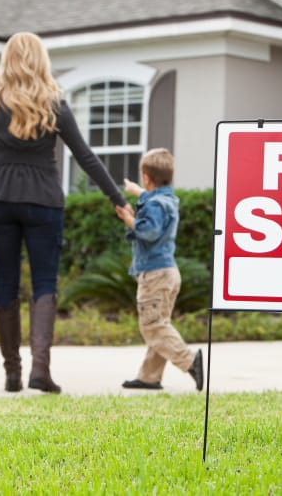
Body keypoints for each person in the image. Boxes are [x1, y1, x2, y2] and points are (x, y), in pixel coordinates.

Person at [0, 31, 129, 394]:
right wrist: (118, 199)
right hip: (43, 200)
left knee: (5, 283)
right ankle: (39, 370)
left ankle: (12, 373)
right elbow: (84, 155)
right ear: (41, 60)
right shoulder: (54, 104)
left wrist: (4, 150)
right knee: (45, 283)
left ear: (7, 61)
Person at [115, 148, 203, 391]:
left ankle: (190, 361)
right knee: (159, 322)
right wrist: (139, 192)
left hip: (155, 273)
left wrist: (129, 219)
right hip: (167, 272)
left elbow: (148, 231)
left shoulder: (155, 204)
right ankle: (149, 377)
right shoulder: (168, 199)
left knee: (152, 326)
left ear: (146, 177)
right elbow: (154, 203)